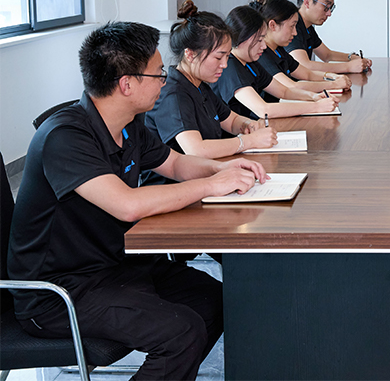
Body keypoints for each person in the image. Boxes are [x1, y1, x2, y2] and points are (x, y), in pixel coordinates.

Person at [7, 22, 267, 381]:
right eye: (158, 74)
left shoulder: (128, 124)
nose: (164, 80)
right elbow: (127, 204)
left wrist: (223, 168)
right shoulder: (65, 136)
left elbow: (174, 164)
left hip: (117, 265)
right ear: (127, 84)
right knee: (181, 333)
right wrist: (212, 184)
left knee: (216, 301)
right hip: (61, 291)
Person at [145, 0, 278, 159]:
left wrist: (249, 125)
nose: (224, 65)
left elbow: (231, 120)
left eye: (227, 56)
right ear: (190, 54)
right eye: (218, 57)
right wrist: (248, 141)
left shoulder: (200, 86)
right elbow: (197, 150)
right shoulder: (173, 95)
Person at [211, 5, 338, 120]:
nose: (264, 46)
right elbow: (263, 110)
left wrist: (313, 97)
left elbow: (284, 91)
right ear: (242, 38)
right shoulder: (230, 68)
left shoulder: (250, 63)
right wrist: (316, 107)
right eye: (259, 40)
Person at [250, 0, 352, 97]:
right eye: (292, 26)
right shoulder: (261, 55)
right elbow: (291, 86)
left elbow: (308, 74)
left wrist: (333, 77)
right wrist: (334, 84)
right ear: (272, 25)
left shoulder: (278, 50)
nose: (295, 33)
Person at [286, 0, 373, 74]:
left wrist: (352, 57)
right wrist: (348, 67)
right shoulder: (292, 26)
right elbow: (304, 65)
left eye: (331, 8)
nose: (329, 13)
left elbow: (327, 55)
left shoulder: (307, 28)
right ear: (307, 2)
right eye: (326, 7)